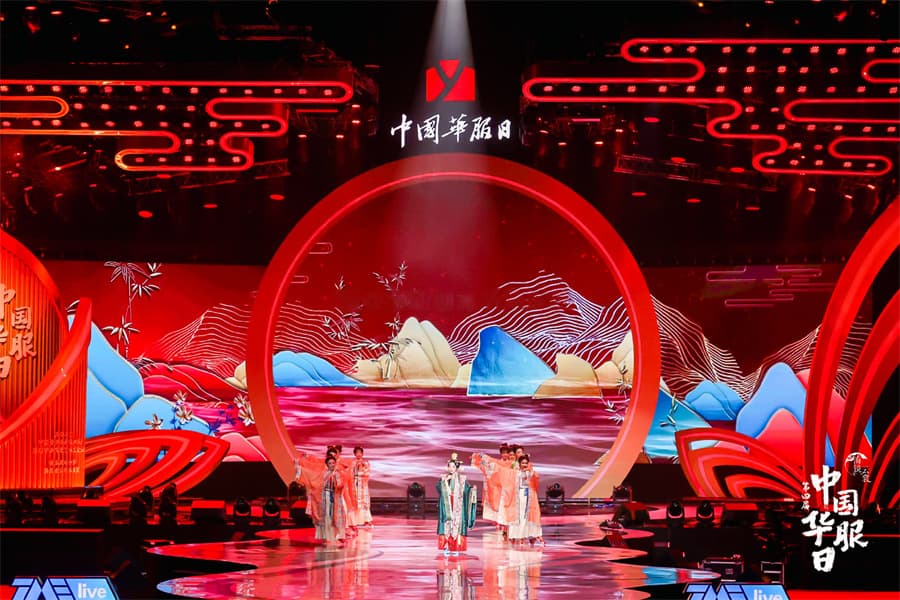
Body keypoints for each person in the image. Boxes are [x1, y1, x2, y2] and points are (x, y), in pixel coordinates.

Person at [294, 453, 347, 544]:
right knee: (326, 517)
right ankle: (326, 537)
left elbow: (340, 485)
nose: (332, 465)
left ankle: (336, 536)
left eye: (333, 463)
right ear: (327, 465)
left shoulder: (337, 473)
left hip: (334, 498)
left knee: (335, 517)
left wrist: (338, 483)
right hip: (325, 498)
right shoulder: (323, 474)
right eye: (330, 463)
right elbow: (313, 478)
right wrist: (299, 467)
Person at [436, 453, 477, 555]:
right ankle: (447, 546)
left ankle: (456, 547)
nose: (451, 469)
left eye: (453, 467)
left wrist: (473, 490)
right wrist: (444, 482)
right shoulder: (444, 478)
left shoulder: (462, 479)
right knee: (447, 524)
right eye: (449, 466)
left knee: (457, 525)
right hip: (447, 505)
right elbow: (439, 489)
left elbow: (467, 490)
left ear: (457, 468)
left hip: (458, 506)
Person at [507, 455, 543, 546]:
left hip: (528, 496)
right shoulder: (516, 473)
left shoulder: (530, 473)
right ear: (519, 464)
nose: (524, 465)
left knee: (525, 517)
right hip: (518, 496)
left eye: (526, 463)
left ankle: (525, 536)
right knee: (518, 516)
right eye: (523, 463)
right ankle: (515, 536)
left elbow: (536, 479)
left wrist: (531, 472)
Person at [351, 446, 373, 526]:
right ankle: (357, 520)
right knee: (356, 501)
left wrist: (361, 473)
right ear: (354, 454)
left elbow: (367, 473)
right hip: (355, 483)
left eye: (360, 452)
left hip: (363, 484)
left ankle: (367, 519)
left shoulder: (366, 463)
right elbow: (350, 473)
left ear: (362, 454)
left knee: (364, 502)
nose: (358, 454)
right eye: (357, 453)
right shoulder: (352, 463)